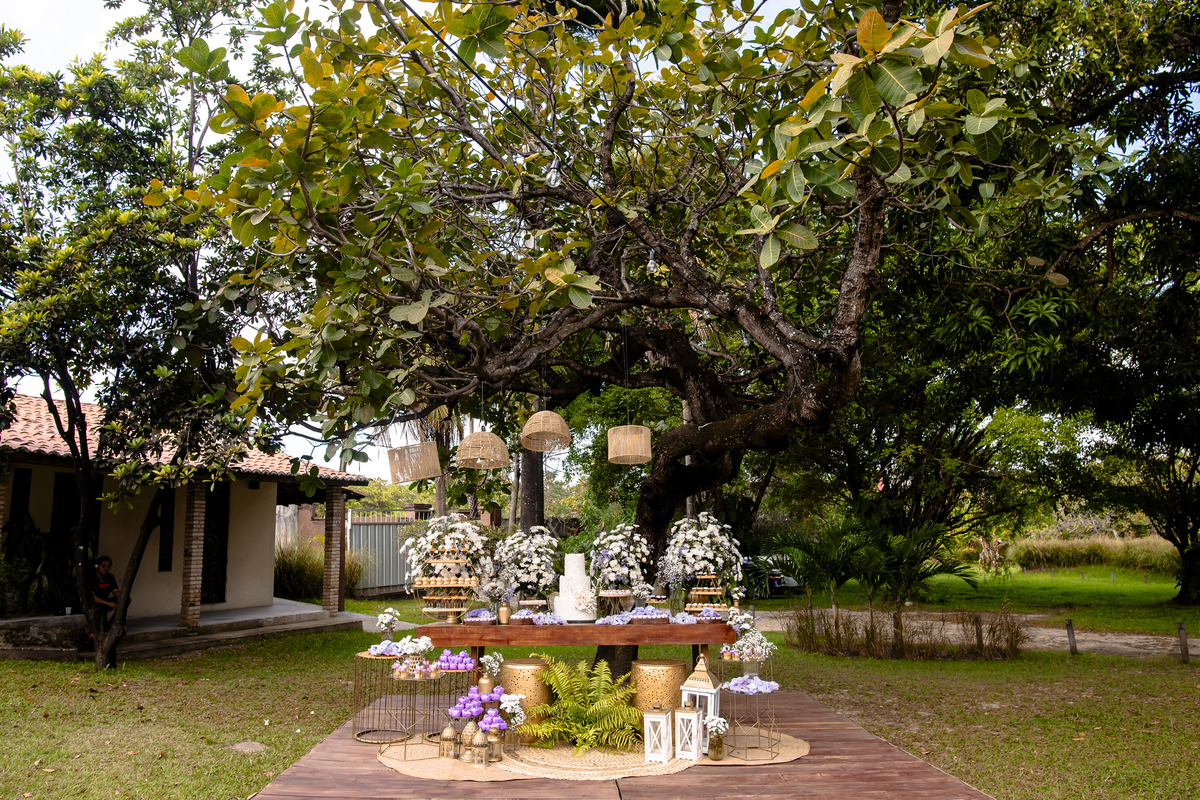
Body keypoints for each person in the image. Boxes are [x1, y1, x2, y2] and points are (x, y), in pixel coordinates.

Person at [90, 556, 120, 631]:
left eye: (108, 566)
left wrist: (119, 598)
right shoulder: (92, 577)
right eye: (103, 566)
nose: (106, 568)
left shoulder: (110, 577)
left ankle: (112, 622)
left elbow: (115, 591)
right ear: (97, 567)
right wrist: (107, 604)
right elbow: (92, 597)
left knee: (126, 600)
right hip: (96, 603)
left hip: (106, 601)